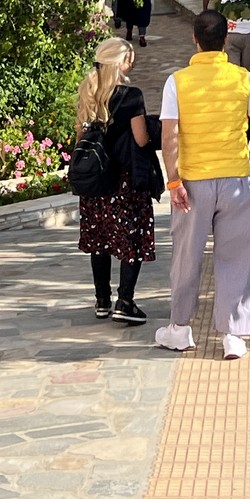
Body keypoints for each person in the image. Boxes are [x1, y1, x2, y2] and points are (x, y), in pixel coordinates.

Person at [158, 7, 250, 360]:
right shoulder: (243, 78)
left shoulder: (177, 81)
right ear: (225, 40)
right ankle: (233, 334)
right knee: (238, 255)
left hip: (193, 181)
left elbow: (170, 135)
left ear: (194, 39)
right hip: (235, 180)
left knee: (187, 255)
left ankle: (180, 329)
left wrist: (173, 181)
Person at [74, 37, 155, 324]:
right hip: (124, 179)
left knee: (100, 240)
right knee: (130, 238)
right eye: (130, 60)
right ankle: (125, 301)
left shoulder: (88, 92)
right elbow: (141, 138)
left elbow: (80, 137)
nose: (132, 65)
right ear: (120, 63)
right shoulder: (132, 96)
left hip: (96, 179)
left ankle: (101, 300)